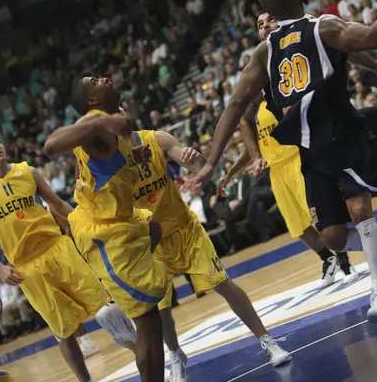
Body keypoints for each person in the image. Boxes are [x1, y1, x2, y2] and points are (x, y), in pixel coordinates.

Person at [193, 0, 377, 325]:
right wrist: (216, 162)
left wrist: (213, 161)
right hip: (313, 153)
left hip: (340, 136)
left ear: (273, 14)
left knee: (360, 207)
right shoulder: (273, 49)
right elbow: (240, 108)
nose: (263, 26)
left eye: (264, 20)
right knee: (331, 235)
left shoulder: (306, 34)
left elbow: (357, 45)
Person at [98, 127, 291, 381]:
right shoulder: (107, 163)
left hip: (184, 229)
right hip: (150, 239)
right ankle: (176, 355)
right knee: (162, 310)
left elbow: (197, 165)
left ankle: (267, 339)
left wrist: (193, 159)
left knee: (222, 283)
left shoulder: (156, 140)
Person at [45, 77, 167, 382]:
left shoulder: (109, 124)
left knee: (154, 229)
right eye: (95, 82)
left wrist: (131, 158)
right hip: (106, 232)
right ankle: (126, 309)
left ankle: (118, 305)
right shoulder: (95, 122)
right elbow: (50, 146)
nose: (105, 79)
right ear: (91, 101)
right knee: (150, 320)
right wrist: (101, 122)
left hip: (114, 219)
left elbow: (92, 167)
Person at [0, 136, 108, 382]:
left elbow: (56, 203)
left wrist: (87, 224)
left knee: (105, 304)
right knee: (63, 330)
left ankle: (140, 347)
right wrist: (0, 267)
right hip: (27, 266)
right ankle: (85, 380)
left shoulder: (29, 171)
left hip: (57, 246)